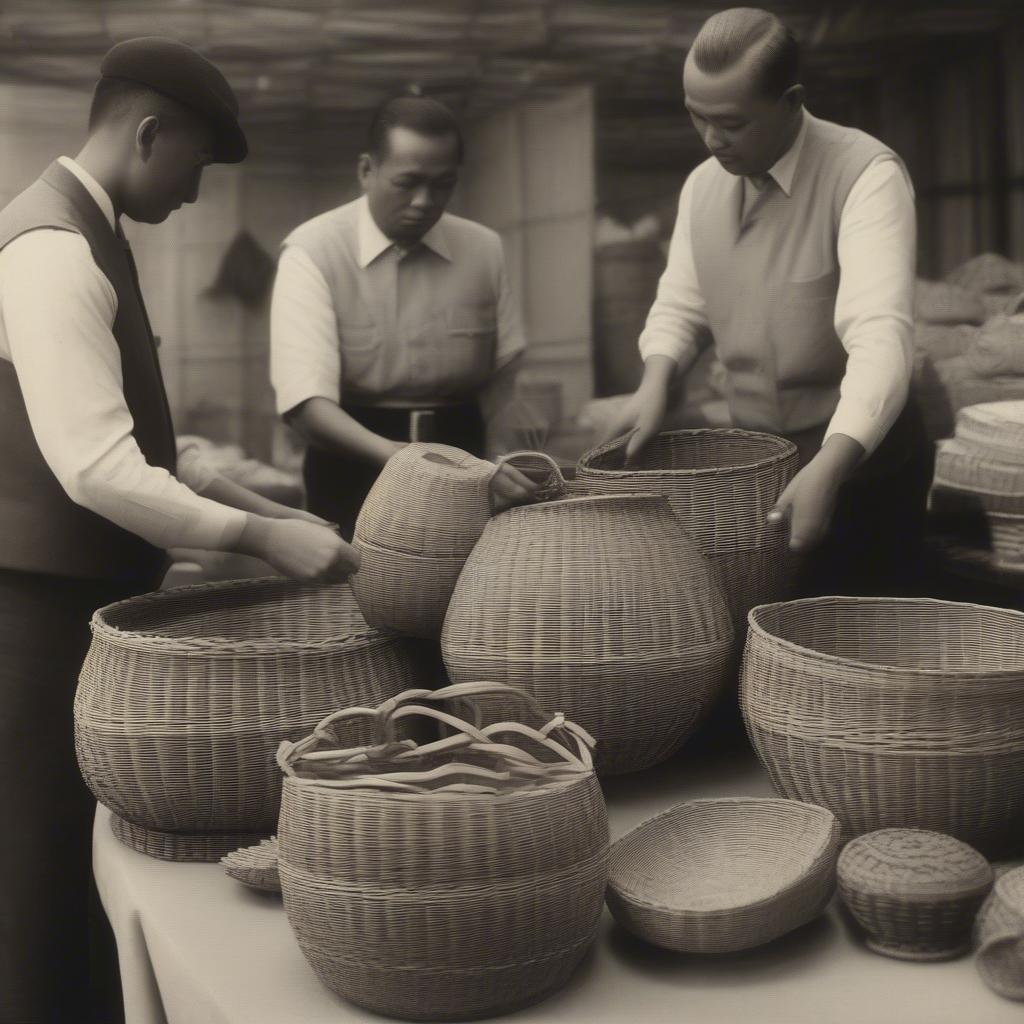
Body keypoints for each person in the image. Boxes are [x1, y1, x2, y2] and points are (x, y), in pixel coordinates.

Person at [0, 37, 359, 1024]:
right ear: (149, 132)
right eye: (196, 164)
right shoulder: (52, 250)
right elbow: (96, 467)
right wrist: (260, 539)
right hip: (32, 614)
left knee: (77, 872)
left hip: (78, 600)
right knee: (32, 878)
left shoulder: (95, 232)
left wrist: (274, 505)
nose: (199, 194)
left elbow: (151, 444)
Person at [605, 7, 929, 597]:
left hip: (863, 471)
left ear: (791, 101)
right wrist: (655, 381)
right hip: (759, 470)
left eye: (731, 123)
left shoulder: (865, 175)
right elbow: (682, 304)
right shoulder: (703, 186)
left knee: (864, 648)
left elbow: (881, 338)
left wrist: (832, 465)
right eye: (696, 117)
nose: (711, 139)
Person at [270, 95, 538, 539]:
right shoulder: (313, 252)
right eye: (407, 182)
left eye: (442, 184)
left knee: (468, 598)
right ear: (366, 171)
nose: (423, 201)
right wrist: (408, 460)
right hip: (353, 469)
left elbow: (504, 371)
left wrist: (499, 455)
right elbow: (306, 407)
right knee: (353, 600)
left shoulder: (484, 249)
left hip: (466, 465)